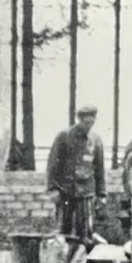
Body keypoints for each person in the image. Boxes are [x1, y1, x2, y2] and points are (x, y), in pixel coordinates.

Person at [46, 106, 106, 248]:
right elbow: (52, 164)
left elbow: (100, 169)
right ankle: (63, 261)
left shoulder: (96, 140)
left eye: (92, 122)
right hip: (65, 191)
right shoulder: (64, 136)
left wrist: (102, 194)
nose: (89, 125)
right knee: (62, 231)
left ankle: (83, 262)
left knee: (86, 232)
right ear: (79, 119)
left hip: (86, 193)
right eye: (86, 122)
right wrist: (52, 188)